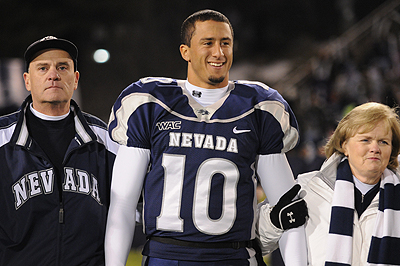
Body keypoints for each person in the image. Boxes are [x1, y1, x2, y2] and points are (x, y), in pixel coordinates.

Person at [105, 9, 308, 266]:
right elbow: (122, 205)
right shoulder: (150, 102)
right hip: (166, 256)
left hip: (234, 256)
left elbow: (289, 210)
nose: (219, 52)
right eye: (208, 43)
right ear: (185, 51)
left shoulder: (259, 107)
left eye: (225, 43)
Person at [0, 36, 119, 265]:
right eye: (42, 68)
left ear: (75, 79)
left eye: (62, 67)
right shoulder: (3, 137)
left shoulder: (105, 139)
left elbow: (128, 208)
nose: (53, 75)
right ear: (27, 80)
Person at [258, 102, 400, 265]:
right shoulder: (307, 188)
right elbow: (256, 242)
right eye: (365, 140)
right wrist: (274, 222)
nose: (375, 148)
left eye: (383, 142)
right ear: (344, 145)